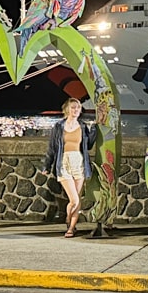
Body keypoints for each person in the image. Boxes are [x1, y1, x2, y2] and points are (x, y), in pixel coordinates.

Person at [41, 97, 97, 237]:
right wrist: (47, 165)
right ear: (67, 109)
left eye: (78, 107)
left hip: (78, 162)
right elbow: (52, 148)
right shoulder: (59, 126)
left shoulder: (83, 126)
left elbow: (88, 145)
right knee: (74, 199)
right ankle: (67, 219)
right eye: (73, 107)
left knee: (77, 197)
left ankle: (71, 227)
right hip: (64, 162)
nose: (76, 110)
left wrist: (95, 128)